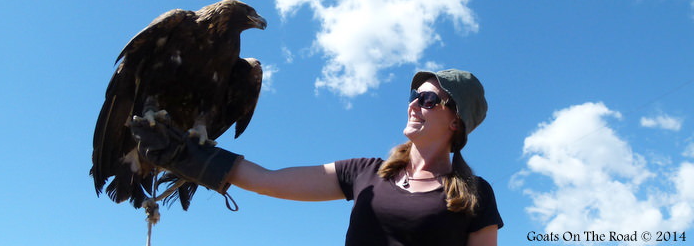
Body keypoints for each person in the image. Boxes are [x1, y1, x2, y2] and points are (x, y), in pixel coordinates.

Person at [130, 68, 504, 246]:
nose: (413, 105)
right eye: (413, 95)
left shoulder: (474, 194)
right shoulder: (365, 173)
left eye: (427, 100)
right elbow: (268, 179)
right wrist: (188, 156)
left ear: (457, 120)